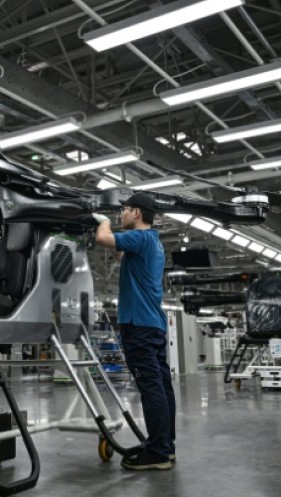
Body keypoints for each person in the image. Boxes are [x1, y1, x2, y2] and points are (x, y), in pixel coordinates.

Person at [94, 193, 175, 470]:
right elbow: (119, 252)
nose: (122, 214)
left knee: (150, 387)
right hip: (152, 325)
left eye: (125, 209)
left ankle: (158, 454)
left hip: (138, 325)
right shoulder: (152, 241)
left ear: (137, 213)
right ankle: (166, 446)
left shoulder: (139, 237)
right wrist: (110, 239)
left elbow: (103, 238)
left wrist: (102, 221)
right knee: (161, 385)